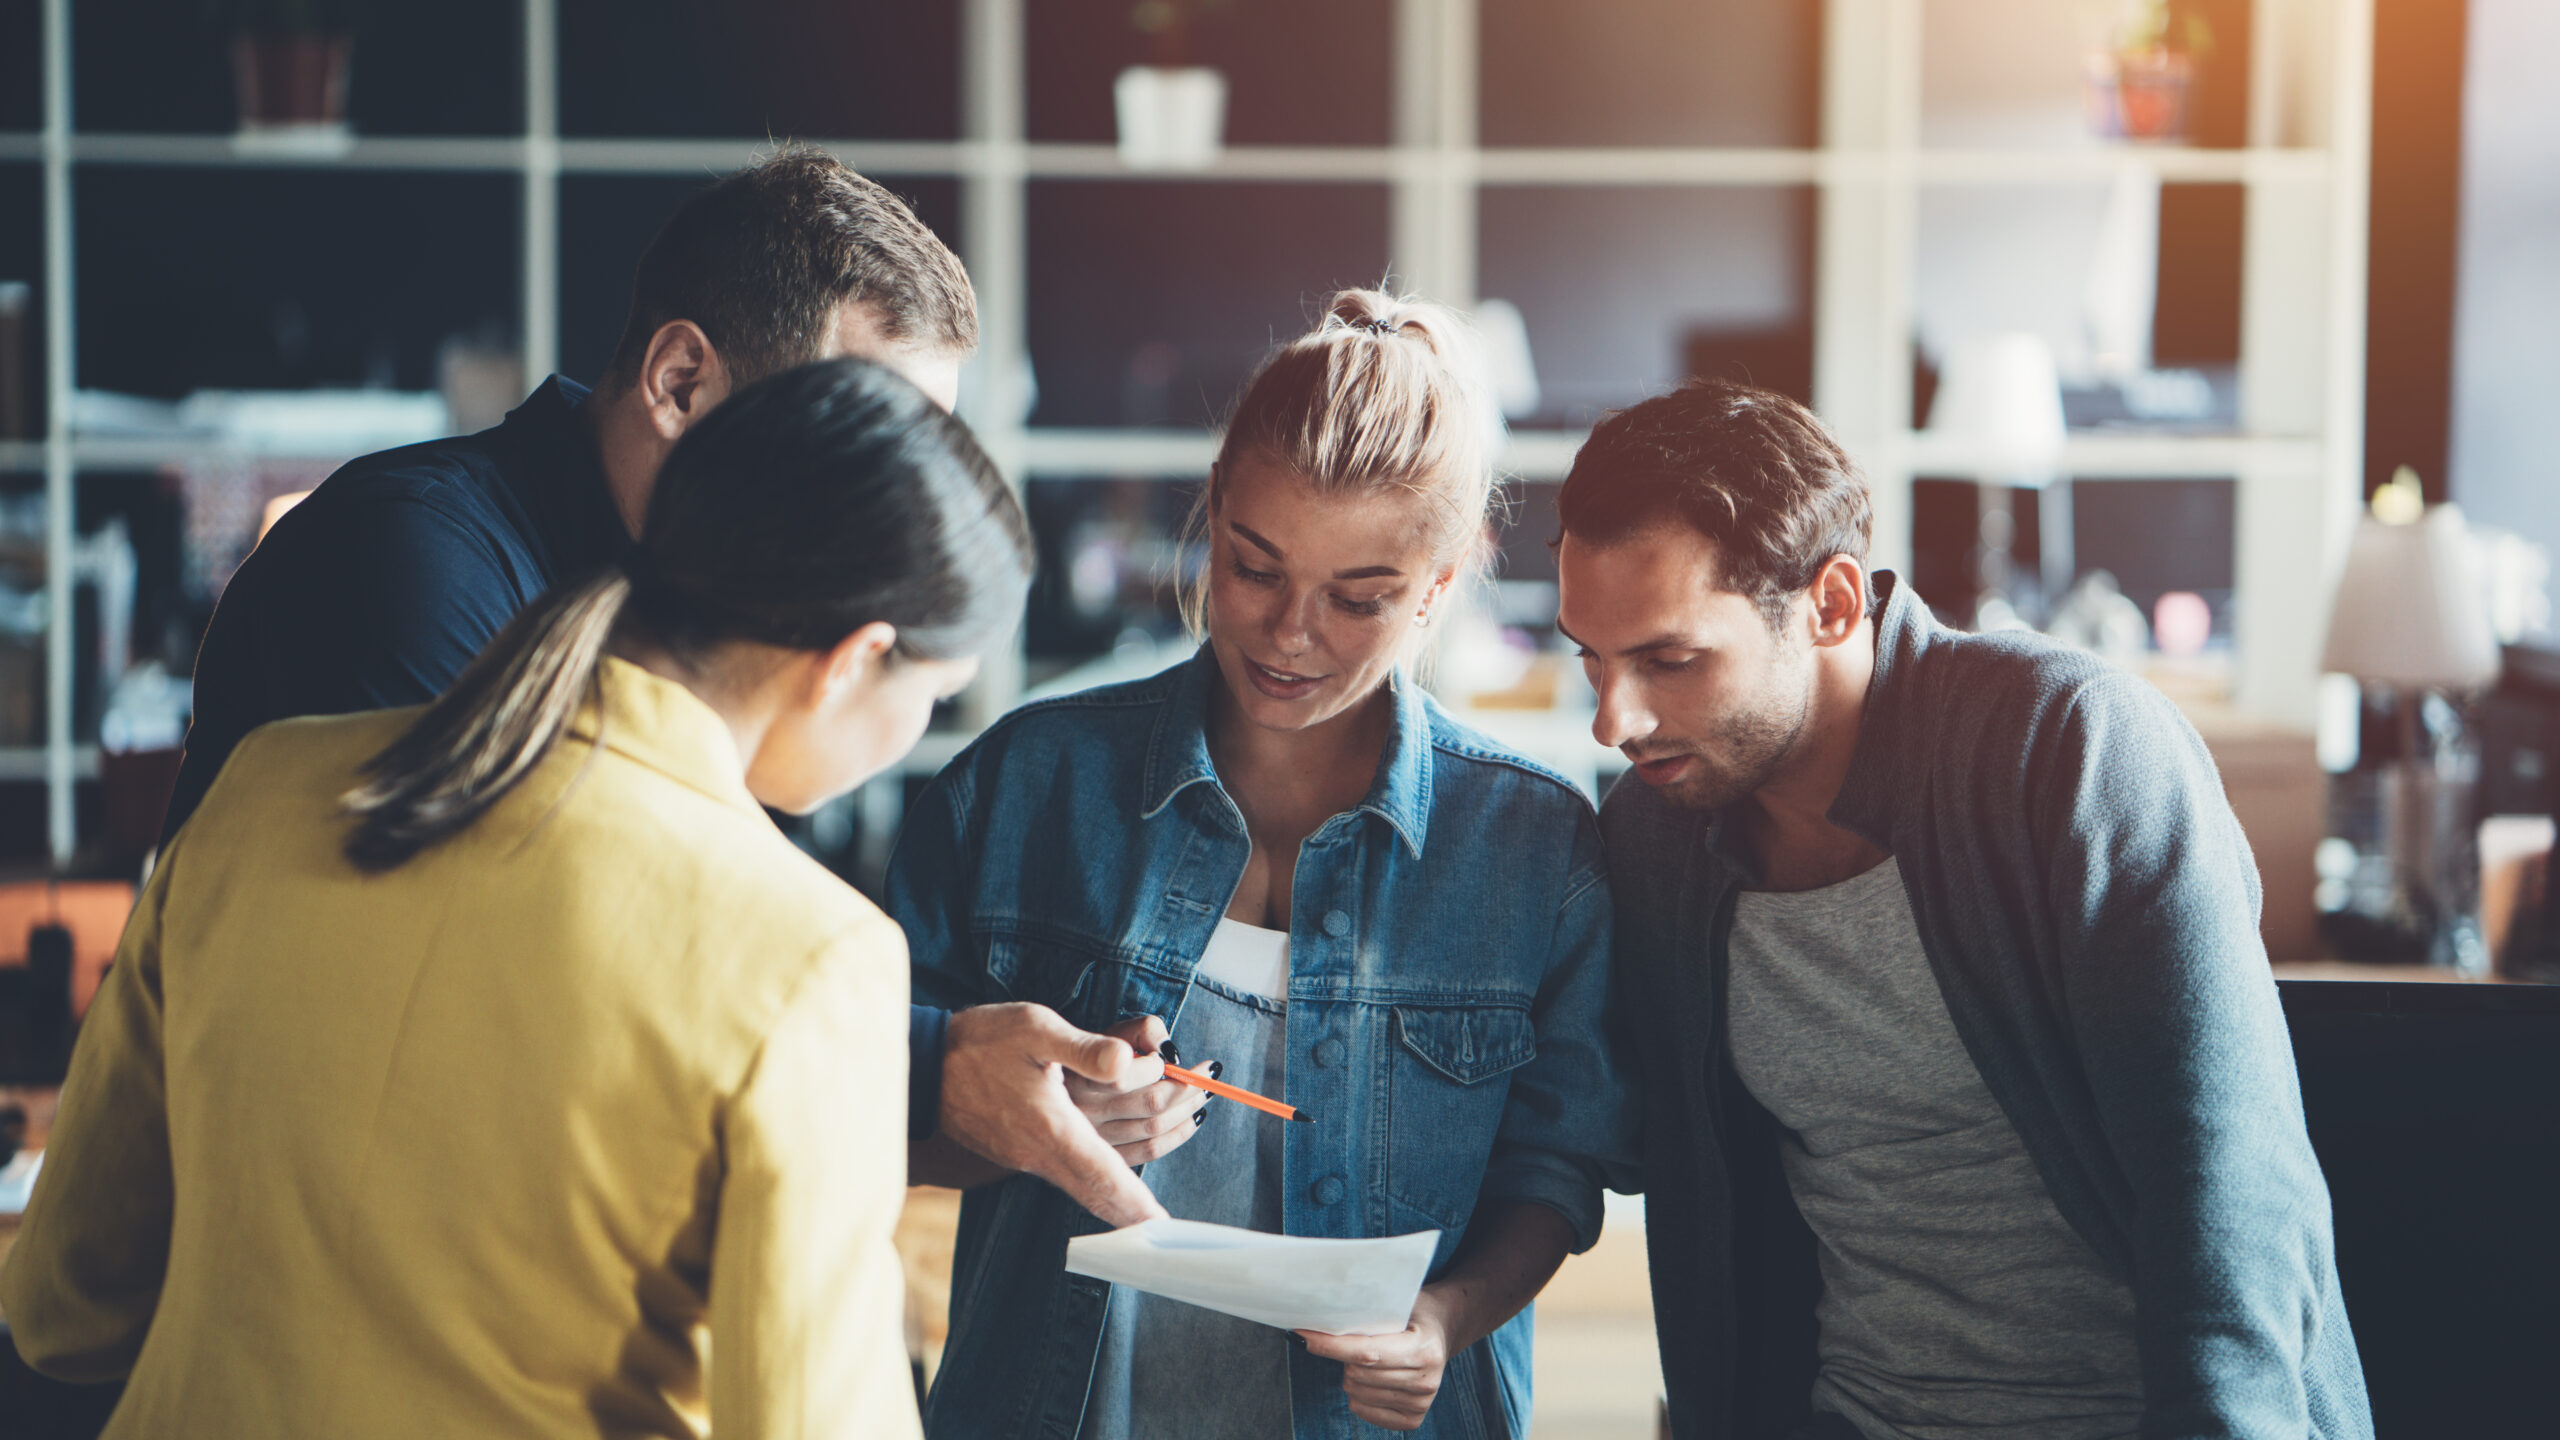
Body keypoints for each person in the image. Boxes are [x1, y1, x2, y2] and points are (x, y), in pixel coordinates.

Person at [2, 358, 1029, 1438]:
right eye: (932, 696)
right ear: (850, 660)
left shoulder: (265, 786)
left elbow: (62, 1305)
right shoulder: (810, 959)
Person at [158, 148, 1161, 1229]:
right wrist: (923, 1067)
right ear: (682, 383)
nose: (899, 505)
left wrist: (968, 1100)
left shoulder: (734, 639)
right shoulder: (406, 559)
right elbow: (523, 1000)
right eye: (859, 437)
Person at [1550, 380, 2372, 1440]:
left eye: (1669, 660)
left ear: (1832, 604)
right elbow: (1598, 1126)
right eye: (1589, 658)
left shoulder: (2071, 749)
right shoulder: (1657, 834)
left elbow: (2223, 1178)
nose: (1616, 718)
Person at [891, 290, 1638, 1440]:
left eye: (1360, 598)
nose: (1291, 634)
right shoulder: (1024, 788)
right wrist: (1027, 1118)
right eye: (1253, 569)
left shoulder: (1532, 842)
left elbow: (1554, 1169)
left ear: (1440, 588)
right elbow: (871, 1109)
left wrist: (1444, 1318)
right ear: (1213, 515)